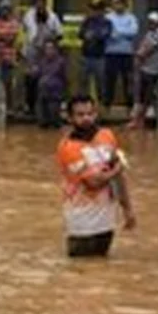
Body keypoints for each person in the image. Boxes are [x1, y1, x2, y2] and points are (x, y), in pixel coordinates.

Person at [57, 95, 133, 259]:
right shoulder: (68, 148)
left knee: (101, 272)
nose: (86, 118)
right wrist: (117, 168)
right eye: (80, 115)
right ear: (70, 118)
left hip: (106, 221)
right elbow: (93, 182)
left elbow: (119, 179)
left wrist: (128, 209)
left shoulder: (107, 136)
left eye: (90, 113)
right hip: (81, 222)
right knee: (80, 270)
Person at [100, 0, 140, 115]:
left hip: (126, 53)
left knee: (127, 81)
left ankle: (129, 106)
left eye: (121, 3)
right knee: (109, 81)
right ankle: (107, 107)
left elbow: (133, 31)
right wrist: (123, 33)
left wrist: (117, 32)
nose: (119, 5)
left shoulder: (131, 17)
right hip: (111, 53)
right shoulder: (108, 17)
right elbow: (107, 32)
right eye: (117, 3)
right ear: (113, 4)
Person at [130, 12, 158, 129]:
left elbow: (148, 48)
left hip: (153, 69)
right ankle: (138, 120)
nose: (150, 24)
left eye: (152, 21)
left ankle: (141, 119)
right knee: (142, 94)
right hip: (145, 67)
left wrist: (139, 57)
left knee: (148, 95)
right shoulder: (149, 33)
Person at [32, 36, 69, 129]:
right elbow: (36, 74)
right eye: (47, 48)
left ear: (56, 49)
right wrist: (34, 71)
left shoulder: (61, 61)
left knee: (55, 121)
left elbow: (64, 77)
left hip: (55, 93)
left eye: (51, 48)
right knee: (42, 122)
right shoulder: (42, 61)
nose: (49, 51)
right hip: (42, 92)